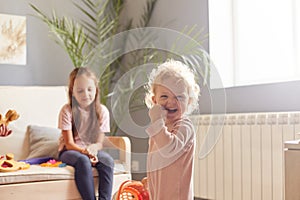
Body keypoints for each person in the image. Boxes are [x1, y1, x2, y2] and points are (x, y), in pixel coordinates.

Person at [144, 59, 200, 200]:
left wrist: (156, 121)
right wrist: (151, 180)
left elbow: (169, 149)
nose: (171, 102)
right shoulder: (160, 128)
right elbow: (156, 160)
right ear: (154, 101)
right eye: (164, 96)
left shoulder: (184, 126)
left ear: (189, 101)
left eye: (179, 96)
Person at [58, 67, 114, 200]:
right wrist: (86, 153)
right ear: (72, 92)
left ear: (96, 89)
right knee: (83, 161)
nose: (85, 94)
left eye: (90, 89)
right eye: (80, 91)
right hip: (70, 151)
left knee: (107, 161)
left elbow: (99, 143)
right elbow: (69, 144)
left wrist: (93, 149)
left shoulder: (102, 112)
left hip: (91, 150)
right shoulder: (67, 111)